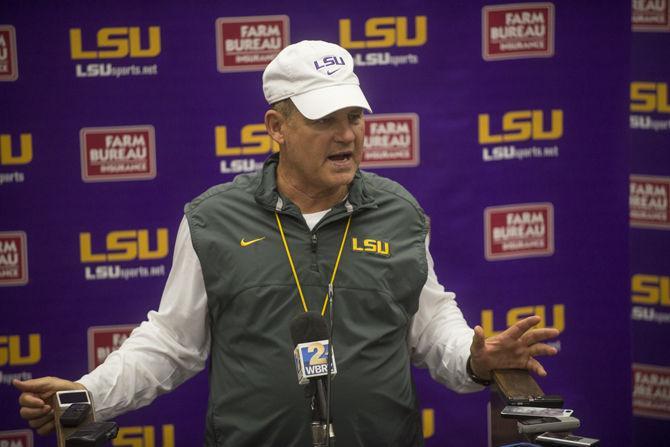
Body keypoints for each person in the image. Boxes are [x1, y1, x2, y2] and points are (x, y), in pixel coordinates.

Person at [14, 40, 558, 446]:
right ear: (277, 127)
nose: (346, 135)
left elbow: (429, 325)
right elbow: (171, 343)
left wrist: (474, 355)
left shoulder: (399, 212)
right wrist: (88, 394)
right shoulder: (212, 220)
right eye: (325, 120)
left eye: (354, 117)